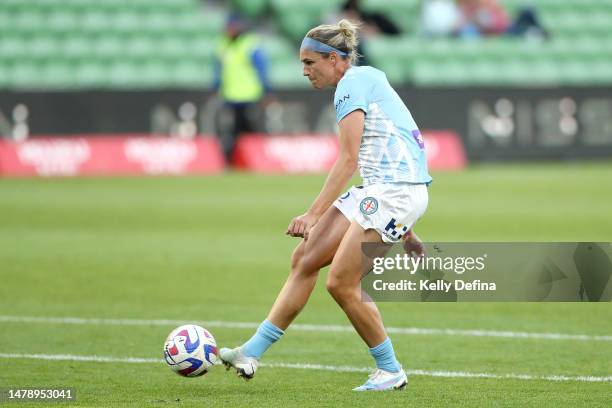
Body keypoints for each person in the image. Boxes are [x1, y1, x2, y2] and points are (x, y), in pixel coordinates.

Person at [220, 19, 432, 391]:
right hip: (385, 192)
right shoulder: (366, 79)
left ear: (334, 59)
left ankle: (390, 369)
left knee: (341, 283)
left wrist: (313, 214)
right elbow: (393, 148)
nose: (304, 71)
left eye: (309, 63)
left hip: (393, 193)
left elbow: (348, 159)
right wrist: (408, 229)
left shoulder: (351, 86)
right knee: (305, 259)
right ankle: (250, 352)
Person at [213, 13, 271, 161]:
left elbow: (262, 69)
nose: (230, 30)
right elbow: (218, 70)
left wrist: (266, 90)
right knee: (232, 132)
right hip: (230, 96)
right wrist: (216, 86)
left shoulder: (250, 44)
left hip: (249, 96)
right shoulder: (223, 44)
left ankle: (257, 160)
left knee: (251, 131)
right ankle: (233, 161)